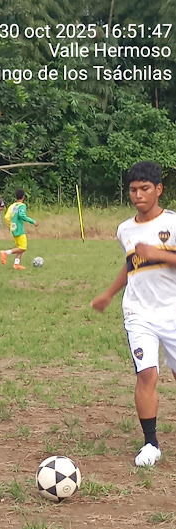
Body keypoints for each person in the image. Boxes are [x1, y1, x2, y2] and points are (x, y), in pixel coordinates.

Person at [92, 161, 176, 467]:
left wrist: (158, 253)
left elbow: (154, 257)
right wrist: (109, 294)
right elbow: (131, 265)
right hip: (138, 312)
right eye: (133, 190)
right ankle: (151, 443)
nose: (138, 195)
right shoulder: (125, 230)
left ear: (159, 189)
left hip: (173, 311)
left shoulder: (173, 223)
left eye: (144, 189)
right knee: (147, 374)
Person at [0, 188, 38, 270]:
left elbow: (6, 217)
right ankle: (5, 252)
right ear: (23, 196)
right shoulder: (22, 206)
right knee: (23, 247)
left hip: (13, 228)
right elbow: (22, 215)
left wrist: (9, 226)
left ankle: (16, 264)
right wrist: (33, 221)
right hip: (19, 229)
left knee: (19, 247)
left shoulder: (13, 206)